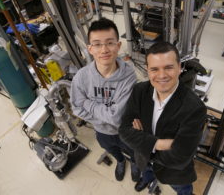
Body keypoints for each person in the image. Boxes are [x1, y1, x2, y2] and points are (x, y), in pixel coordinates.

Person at [119, 41, 207, 194]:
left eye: (168, 67)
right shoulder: (140, 91)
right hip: (143, 160)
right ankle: (147, 179)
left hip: (174, 172)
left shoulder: (194, 108)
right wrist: (159, 144)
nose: (161, 75)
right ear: (147, 70)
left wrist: (141, 140)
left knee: (183, 190)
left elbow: (181, 156)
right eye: (154, 69)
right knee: (146, 172)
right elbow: (124, 130)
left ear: (180, 67)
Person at [70, 18, 140, 182]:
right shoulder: (81, 77)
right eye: (97, 44)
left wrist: (88, 103)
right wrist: (104, 118)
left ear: (118, 45)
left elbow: (116, 117)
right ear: (90, 49)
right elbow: (76, 108)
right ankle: (121, 162)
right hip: (101, 131)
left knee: (134, 151)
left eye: (109, 43)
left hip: (126, 131)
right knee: (111, 149)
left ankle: (135, 164)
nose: (104, 49)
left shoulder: (128, 76)